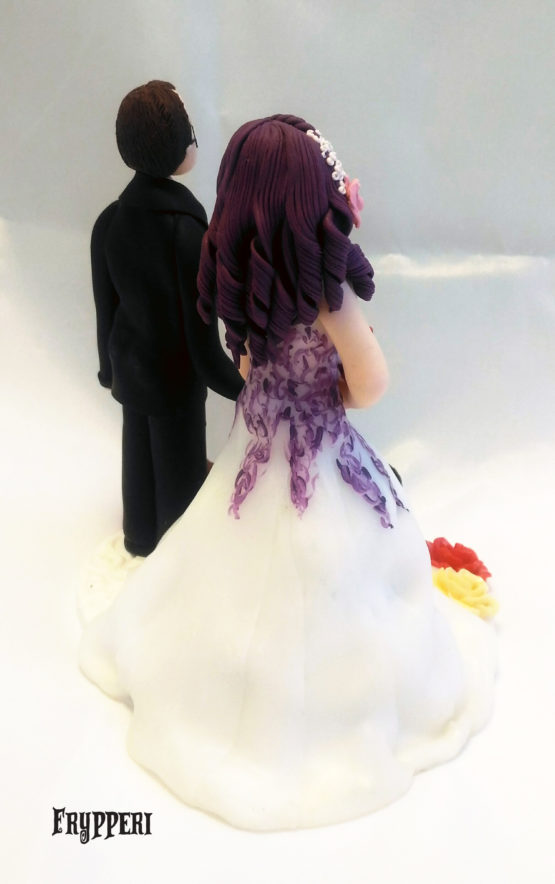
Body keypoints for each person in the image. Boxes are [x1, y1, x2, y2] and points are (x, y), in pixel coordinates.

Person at [81, 114, 496, 831]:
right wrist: (327, 393)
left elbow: (246, 367)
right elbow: (371, 384)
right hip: (316, 452)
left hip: (258, 441)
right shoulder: (328, 294)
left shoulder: (241, 276)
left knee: (224, 553)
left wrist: (281, 388)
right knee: (333, 567)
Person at [91, 81, 243, 557]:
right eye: (190, 131)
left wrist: (108, 368)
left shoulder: (109, 221)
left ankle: (139, 535)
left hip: (130, 370)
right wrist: (237, 385)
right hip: (175, 379)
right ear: (176, 143)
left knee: (137, 455)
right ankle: (178, 558)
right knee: (180, 471)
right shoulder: (186, 229)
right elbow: (201, 332)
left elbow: (105, 309)